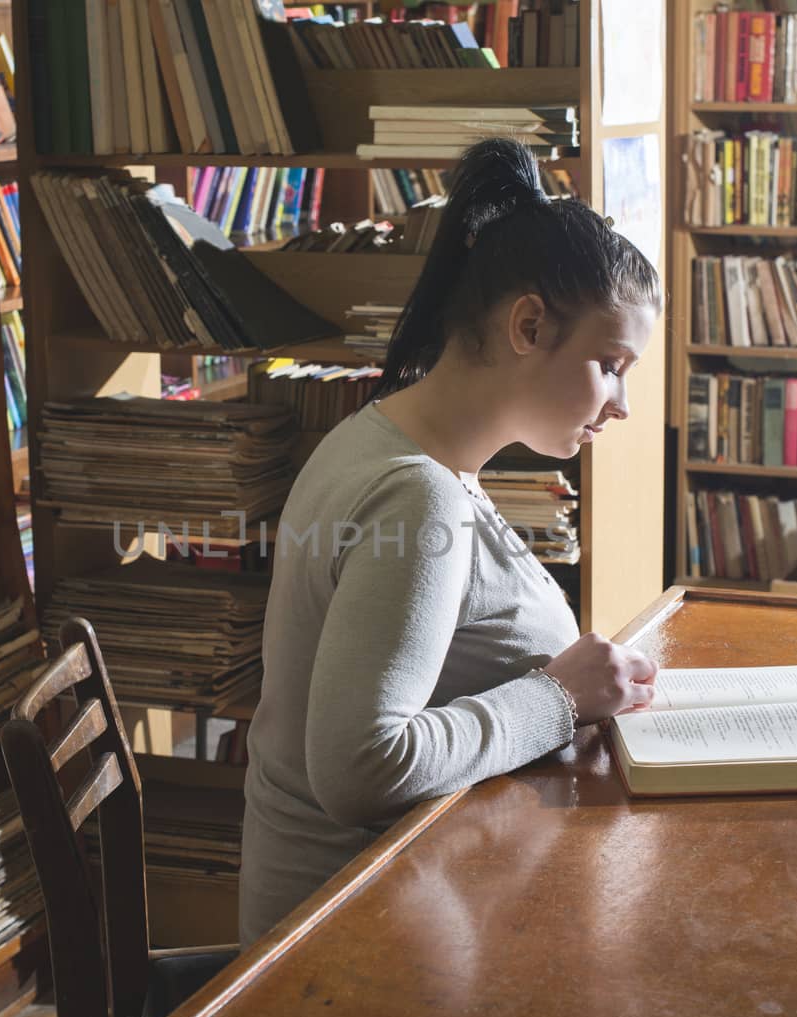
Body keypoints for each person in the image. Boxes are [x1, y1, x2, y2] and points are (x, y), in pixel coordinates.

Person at [239, 138, 663, 945]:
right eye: (611, 365)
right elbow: (363, 769)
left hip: (409, 894)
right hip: (351, 942)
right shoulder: (417, 495)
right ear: (528, 325)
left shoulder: (391, 437)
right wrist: (561, 698)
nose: (622, 403)